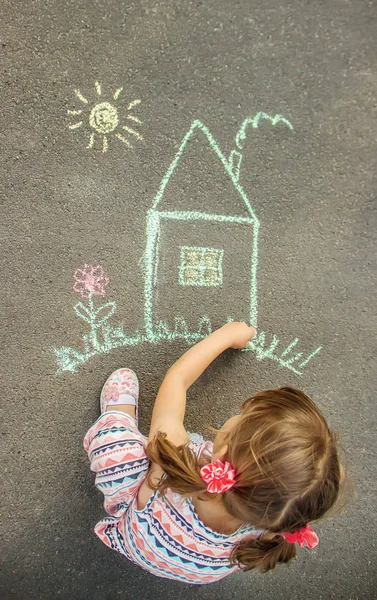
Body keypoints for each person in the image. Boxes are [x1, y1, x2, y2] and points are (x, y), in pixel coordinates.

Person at [84, 322, 343, 584]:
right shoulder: (270, 523)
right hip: (193, 569)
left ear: (225, 451)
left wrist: (225, 336)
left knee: (119, 451)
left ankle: (118, 413)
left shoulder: (172, 464)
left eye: (243, 417)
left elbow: (177, 380)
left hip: (133, 537)